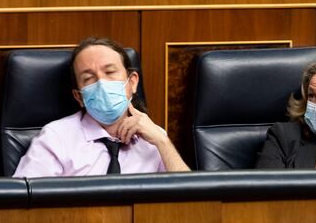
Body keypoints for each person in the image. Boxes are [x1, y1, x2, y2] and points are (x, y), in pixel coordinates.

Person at [13, 37, 190, 177]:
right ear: (79, 97)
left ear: (133, 82)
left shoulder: (154, 138)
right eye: (89, 78)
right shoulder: (55, 138)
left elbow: (190, 201)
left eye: (110, 72)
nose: (101, 83)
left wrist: (163, 142)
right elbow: (21, 206)